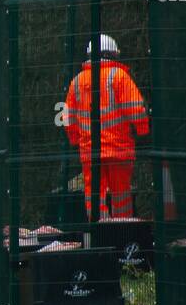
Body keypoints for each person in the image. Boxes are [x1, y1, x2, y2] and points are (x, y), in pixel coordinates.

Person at [64, 35, 150, 219]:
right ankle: (122, 234)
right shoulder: (118, 76)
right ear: (113, 54)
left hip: (90, 151)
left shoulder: (77, 81)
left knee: (94, 196)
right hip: (118, 149)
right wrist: (143, 130)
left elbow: (68, 117)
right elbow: (136, 109)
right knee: (121, 195)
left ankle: (99, 236)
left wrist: (75, 139)